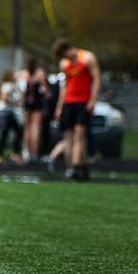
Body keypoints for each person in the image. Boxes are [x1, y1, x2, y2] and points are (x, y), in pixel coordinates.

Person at [51, 38, 101, 182]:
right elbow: (64, 86)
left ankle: (78, 166)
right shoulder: (64, 64)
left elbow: (97, 79)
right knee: (69, 137)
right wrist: (59, 107)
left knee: (80, 135)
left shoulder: (86, 58)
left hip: (83, 102)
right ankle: (72, 168)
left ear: (68, 49)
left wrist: (92, 100)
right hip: (69, 103)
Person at [18, 56, 48, 162]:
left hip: (27, 104)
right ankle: (34, 153)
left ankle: (28, 152)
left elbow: (21, 91)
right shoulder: (39, 74)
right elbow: (46, 91)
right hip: (37, 104)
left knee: (27, 129)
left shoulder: (23, 74)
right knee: (35, 128)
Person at [0, 68, 24, 165]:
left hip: (4, 111)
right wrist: (15, 103)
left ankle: (1, 155)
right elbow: (4, 98)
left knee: (6, 133)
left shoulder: (4, 85)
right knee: (14, 132)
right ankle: (3, 154)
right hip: (6, 112)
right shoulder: (8, 85)